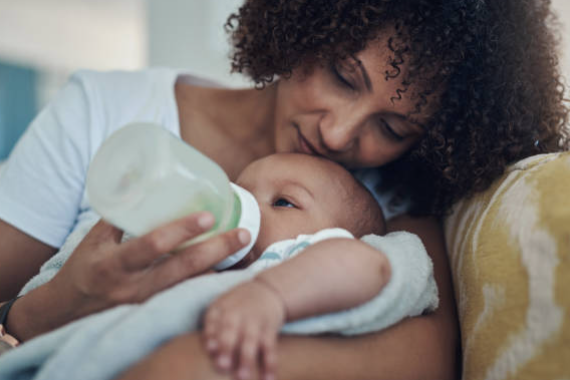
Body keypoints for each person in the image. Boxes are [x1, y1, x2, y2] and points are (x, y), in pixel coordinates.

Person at [0, 0, 567, 379]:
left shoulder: (390, 203)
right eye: (345, 76)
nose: (339, 133)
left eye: (393, 129)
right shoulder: (105, 110)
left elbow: (424, 358)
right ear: (304, 25)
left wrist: (191, 360)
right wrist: (44, 312)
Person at [0, 153, 436, 380]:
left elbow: (366, 266)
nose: (241, 205)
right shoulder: (180, 255)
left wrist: (271, 295)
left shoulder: (310, 258)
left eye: (284, 201)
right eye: (239, 190)